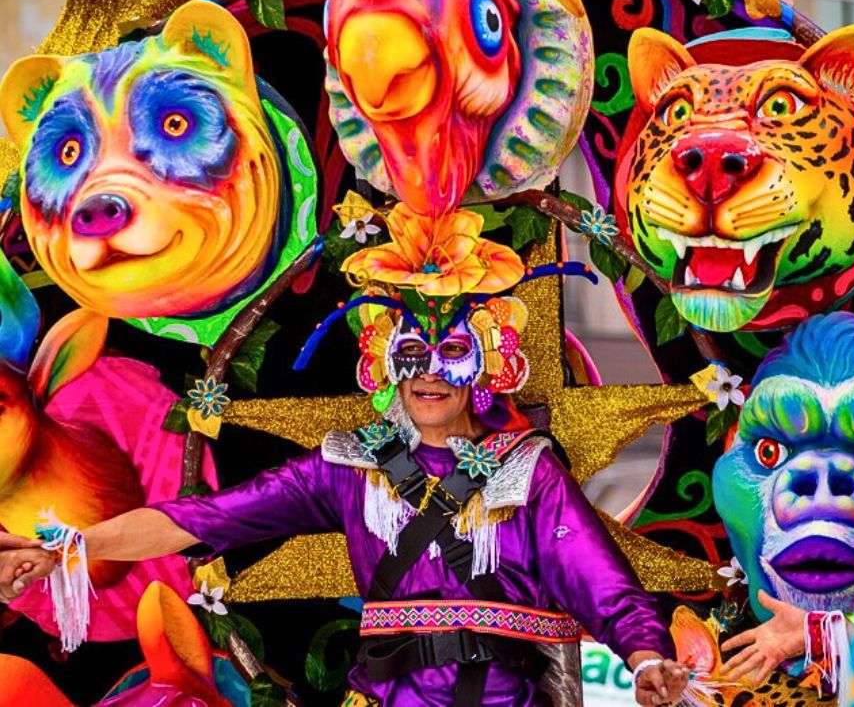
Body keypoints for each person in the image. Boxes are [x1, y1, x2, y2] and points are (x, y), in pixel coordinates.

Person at [0, 296, 690, 707]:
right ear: (387, 367)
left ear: (483, 369)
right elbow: (200, 519)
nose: (427, 374)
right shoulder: (351, 469)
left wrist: (646, 656)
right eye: (410, 353)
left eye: (449, 353)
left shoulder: (528, 475)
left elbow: (603, 585)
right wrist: (72, 547)